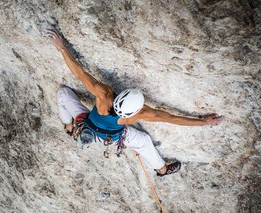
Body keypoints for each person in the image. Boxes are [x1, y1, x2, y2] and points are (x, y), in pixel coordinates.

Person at [48, 29, 223, 176]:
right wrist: (203, 122)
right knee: (144, 141)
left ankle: (69, 127)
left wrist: (62, 48)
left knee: (63, 93)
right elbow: (172, 118)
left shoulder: (104, 95)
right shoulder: (141, 114)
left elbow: (79, 73)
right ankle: (162, 170)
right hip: (110, 137)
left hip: (85, 124)